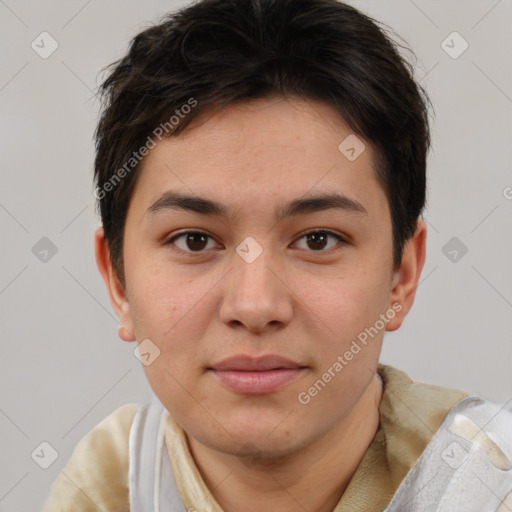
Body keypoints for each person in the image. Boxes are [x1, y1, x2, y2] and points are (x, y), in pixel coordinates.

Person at [43, 0, 512, 510]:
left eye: (318, 240)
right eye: (195, 240)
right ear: (118, 279)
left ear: (402, 273)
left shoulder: (489, 483)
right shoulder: (106, 487)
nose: (255, 305)